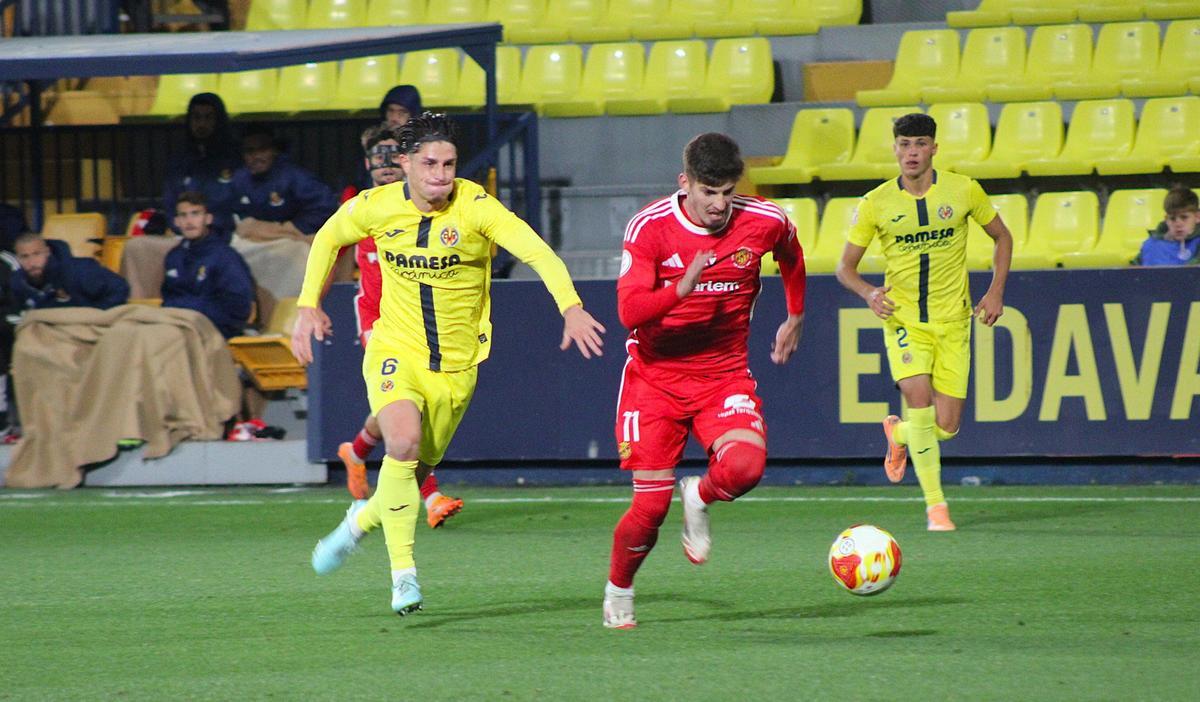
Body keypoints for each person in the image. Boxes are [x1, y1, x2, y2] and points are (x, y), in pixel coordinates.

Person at [291, 113, 606, 615]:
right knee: (403, 441)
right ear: (405, 163)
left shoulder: (477, 208)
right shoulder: (374, 206)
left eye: (450, 164)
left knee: (409, 476)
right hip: (395, 347)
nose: (440, 174)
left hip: (457, 367)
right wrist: (309, 302)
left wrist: (570, 307)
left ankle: (357, 525)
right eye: (429, 163)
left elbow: (538, 252)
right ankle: (403, 577)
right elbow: (329, 238)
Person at [602, 133, 807, 630]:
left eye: (727, 192)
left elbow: (791, 253)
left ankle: (699, 495)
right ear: (685, 182)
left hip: (722, 375)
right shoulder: (650, 228)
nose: (718, 205)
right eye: (708, 191)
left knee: (745, 468)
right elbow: (629, 310)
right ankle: (619, 589)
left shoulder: (763, 219)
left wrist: (795, 314)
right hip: (654, 381)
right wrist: (682, 288)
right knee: (649, 509)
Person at [835, 113, 1013, 532]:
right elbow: (845, 267)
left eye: (919, 144)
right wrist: (869, 293)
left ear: (934, 148)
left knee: (945, 427)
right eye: (903, 144)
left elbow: (1002, 236)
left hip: (954, 321)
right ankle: (937, 508)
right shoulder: (876, 202)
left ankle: (898, 437)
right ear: (895, 149)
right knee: (918, 398)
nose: (911, 152)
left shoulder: (964, 190)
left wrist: (996, 291)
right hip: (904, 320)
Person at [336, 123, 465, 528]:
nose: (387, 164)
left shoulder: (423, 203)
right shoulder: (364, 204)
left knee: (395, 413)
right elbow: (330, 247)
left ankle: (357, 451)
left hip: (416, 317)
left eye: (394, 156)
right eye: (379, 157)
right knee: (412, 408)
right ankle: (431, 498)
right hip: (377, 317)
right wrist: (314, 304)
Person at [230, 124, 338, 316]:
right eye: (250, 151)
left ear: (273, 150)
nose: (256, 156)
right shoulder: (239, 179)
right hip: (258, 243)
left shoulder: (294, 177)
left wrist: (293, 227)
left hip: (293, 240)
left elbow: (325, 206)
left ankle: (292, 314)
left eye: (262, 149)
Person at [162, 192, 255, 339]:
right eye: (183, 215)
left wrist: (190, 311)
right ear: (176, 222)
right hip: (177, 323)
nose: (189, 221)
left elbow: (239, 308)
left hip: (214, 330)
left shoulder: (226, 257)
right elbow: (167, 297)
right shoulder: (173, 256)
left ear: (208, 218)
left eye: (195, 214)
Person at [163, 93, 239, 237]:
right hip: (186, 235)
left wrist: (214, 228)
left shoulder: (236, 159)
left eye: (208, 118)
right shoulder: (178, 161)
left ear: (219, 120)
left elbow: (239, 204)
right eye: (196, 117)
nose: (202, 124)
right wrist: (185, 229)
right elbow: (170, 205)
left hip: (229, 236)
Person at [12, 233, 130, 312]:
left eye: (37, 254)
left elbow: (120, 287)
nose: (32, 262)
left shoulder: (80, 271)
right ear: (17, 258)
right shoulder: (16, 282)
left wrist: (97, 313)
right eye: (25, 257)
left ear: (47, 252)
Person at [1136, 186, 1200, 266]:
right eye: (1172, 219)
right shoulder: (1151, 244)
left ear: (1197, 217)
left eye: (1184, 217)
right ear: (1166, 220)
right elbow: (1132, 273)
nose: (1178, 224)